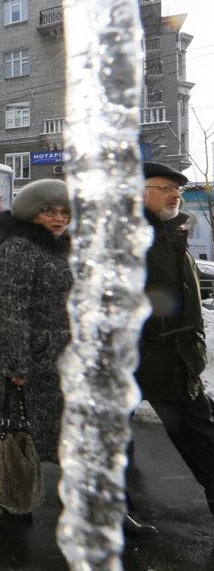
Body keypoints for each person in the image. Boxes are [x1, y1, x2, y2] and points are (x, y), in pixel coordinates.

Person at [0, 179, 72, 511]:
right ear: (31, 213)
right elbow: (12, 312)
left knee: (22, 424)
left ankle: (6, 484)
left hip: (46, 351)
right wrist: (17, 365)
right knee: (9, 423)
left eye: (64, 211)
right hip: (17, 349)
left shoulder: (54, 247)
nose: (58, 218)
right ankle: (0, 484)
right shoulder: (19, 249)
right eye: (49, 211)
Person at [132, 161, 214, 528]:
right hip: (131, 362)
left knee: (202, 437)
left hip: (177, 360)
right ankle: (111, 514)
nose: (175, 194)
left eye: (176, 188)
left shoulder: (174, 236)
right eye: (165, 187)